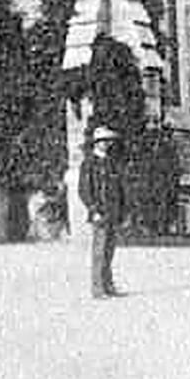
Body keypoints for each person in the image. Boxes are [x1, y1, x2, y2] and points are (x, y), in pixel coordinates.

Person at [78, 123, 125, 299]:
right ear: (96, 143)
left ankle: (109, 285)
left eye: (108, 141)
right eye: (102, 141)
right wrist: (93, 209)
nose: (105, 144)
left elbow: (119, 189)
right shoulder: (89, 164)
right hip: (100, 213)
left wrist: (121, 211)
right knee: (99, 251)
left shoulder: (112, 163)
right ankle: (97, 289)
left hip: (113, 212)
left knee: (110, 251)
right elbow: (84, 190)